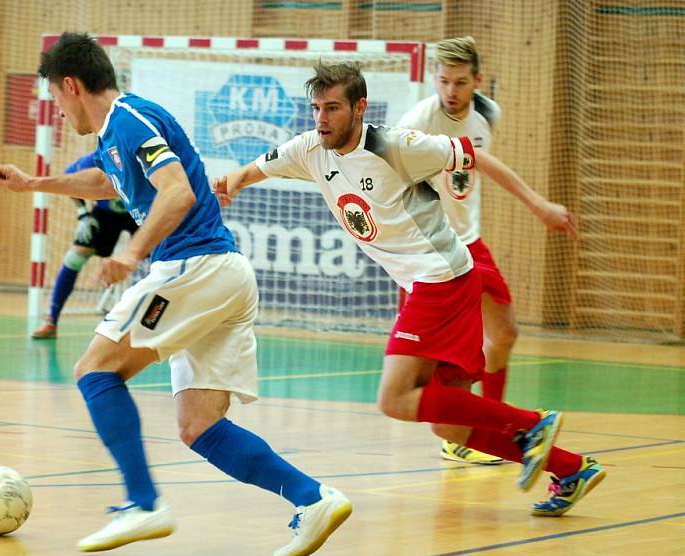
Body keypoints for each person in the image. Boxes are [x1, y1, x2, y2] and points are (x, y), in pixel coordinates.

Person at [0, 32, 351, 556]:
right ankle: (312, 498)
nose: (59, 112)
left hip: (193, 267)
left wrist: (132, 255)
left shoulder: (130, 120)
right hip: (222, 275)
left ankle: (142, 503)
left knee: (94, 370)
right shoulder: (118, 132)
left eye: (57, 99)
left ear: (71, 85)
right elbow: (108, 182)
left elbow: (176, 191)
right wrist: (33, 184)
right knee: (199, 427)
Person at [214, 61, 605, 516]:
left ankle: (531, 424)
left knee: (394, 400)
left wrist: (539, 206)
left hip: (439, 280)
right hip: (433, 281)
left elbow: (477, 157)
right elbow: (256, 168)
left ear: (359, 107)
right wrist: (232, 183)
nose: (322, 119)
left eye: (333, 108)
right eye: (317, 108)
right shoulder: (309, 148)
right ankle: (571, 467)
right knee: (449, 427)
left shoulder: (396, 145)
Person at [395, 37, 523, 465]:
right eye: (443, 81)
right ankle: (461, 434)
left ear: (477, 81)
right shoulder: (417, 122)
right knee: (445, 361)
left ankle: (495, 421)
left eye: (460, 82)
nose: (450, 90)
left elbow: (475, 169)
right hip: (430, 250)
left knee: (503, 333)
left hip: (469, 242)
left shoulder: (487, 115)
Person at [32, 152, 139, 339]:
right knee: (74, 258)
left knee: (161, 259)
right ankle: (51, 320)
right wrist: (83, 214)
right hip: (105, 215)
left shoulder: (138, 158)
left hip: (138, 212)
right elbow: (68, 179)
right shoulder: (93, 160)